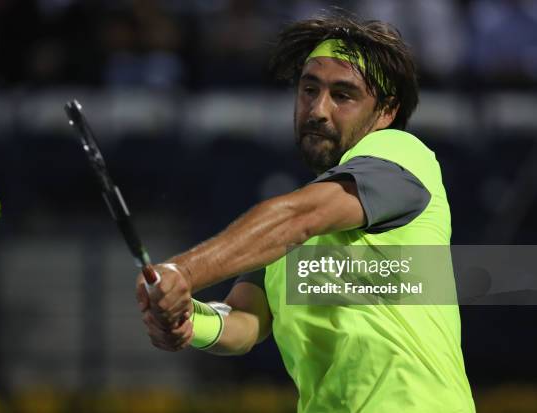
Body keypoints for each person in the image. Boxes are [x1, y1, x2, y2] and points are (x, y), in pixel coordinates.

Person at [135, 12, 475, 413]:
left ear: (386, 111)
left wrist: (184, 272)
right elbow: (245, 323)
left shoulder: (401, 156)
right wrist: (188, 320)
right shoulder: (284, 231)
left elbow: (297, 219)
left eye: (342, 95)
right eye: (309, 89)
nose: (317, 109)